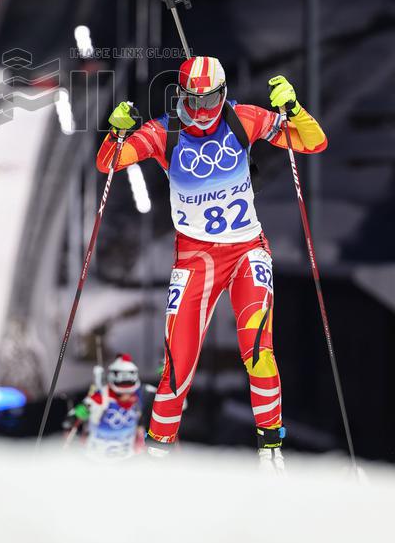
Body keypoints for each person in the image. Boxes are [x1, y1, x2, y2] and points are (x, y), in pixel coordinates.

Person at [96, 60, 327, 470]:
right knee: (178, 363)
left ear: (223, 94)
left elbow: (313, 142)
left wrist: (294, 110)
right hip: (196, 260)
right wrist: (116, 131)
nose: (203, 111)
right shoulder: (164, 130)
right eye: (194, 101)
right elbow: (110, 163)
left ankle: (271, 451)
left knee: (259, 350)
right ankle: (158, 452)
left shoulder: (242, 118)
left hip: (246, 252)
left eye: (211, 100)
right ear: (181, 97)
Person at [63, 353, 145, 461]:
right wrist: (75, 416)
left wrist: (140, 437)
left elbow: (139, 418)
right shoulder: (102, 397)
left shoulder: (137, 395)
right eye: (123, 391)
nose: (127, 396)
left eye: (129, 390)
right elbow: (82, 409)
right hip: (97, 456)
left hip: (127, 456)